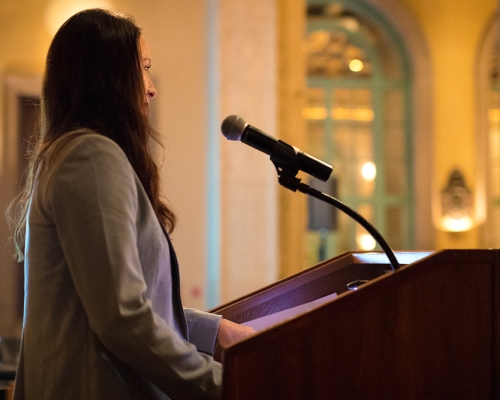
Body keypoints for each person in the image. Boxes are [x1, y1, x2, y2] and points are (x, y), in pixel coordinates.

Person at [8, 8, 255, 400]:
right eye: (143, 68)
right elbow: (122, 317)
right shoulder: (89, 157)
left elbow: (112, 301)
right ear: (108, 78)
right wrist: (231, 386)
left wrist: (216, 331)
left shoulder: (78, 154)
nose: (151, 87)